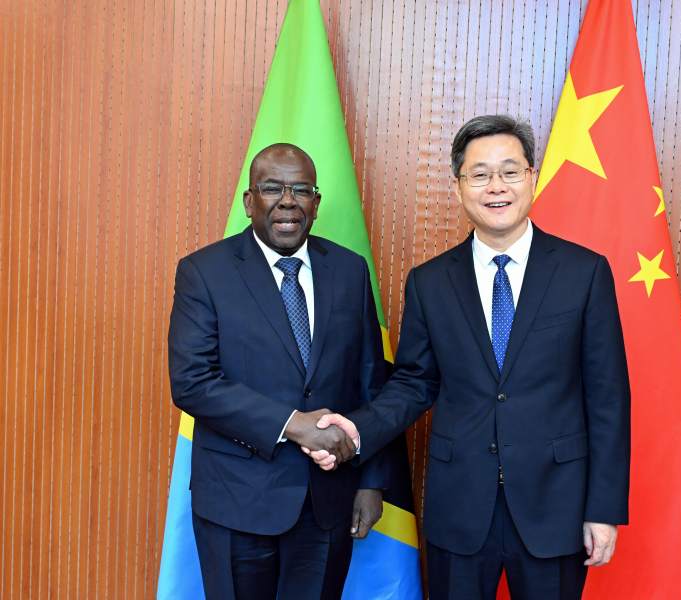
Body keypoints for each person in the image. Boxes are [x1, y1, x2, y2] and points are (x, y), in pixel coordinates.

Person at [309, 115, 631, 599]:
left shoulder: (583, 273)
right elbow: (414, 382)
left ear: (532, 177)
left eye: (510, 171)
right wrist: (357, 430)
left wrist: (603, 509)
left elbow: (608, 399)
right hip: (459, 506)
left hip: (555, 505)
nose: (496, 186)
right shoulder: (430, 282)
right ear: (459, 187)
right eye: (479, 174)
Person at [167, 143, 388, 600]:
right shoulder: (204, 272)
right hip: (236, 502)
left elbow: (370, 382)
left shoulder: (349, 271)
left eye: (301, 190)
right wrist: (292, 425)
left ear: (316, 203)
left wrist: (370, 482)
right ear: (250, 202)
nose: (288, 201)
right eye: (272, 188)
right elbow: (192, 382)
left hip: (327, 502)